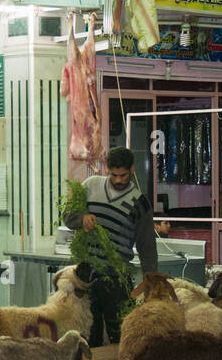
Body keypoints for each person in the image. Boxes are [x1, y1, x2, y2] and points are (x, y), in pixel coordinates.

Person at [61, 147, 157, 346]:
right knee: (87, 336)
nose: (119, 180)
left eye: (123, 175)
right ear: (106, 169)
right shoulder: (90, 186)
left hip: (116, 279)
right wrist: (82, 219)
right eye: (114, 175)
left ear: (132, 170)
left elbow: (147, 247)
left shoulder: (140, 203)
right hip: (86, 276)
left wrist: (151, 283)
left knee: (121, 336)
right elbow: (68, 216)